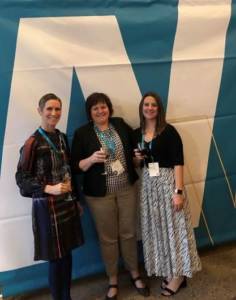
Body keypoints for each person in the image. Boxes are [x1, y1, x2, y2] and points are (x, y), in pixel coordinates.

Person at [71, 92, 149, 300]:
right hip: (99, 195)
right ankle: (112, 280)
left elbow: (135, 152)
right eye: (95, 108)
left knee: (129, 233)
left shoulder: (120, 125)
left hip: (126, 189)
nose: (100, 111)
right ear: (90, 112)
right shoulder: (82, 133)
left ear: (109, 108)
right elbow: (75, 167)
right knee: (108, 239)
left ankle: (134, 273)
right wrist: (90, 159)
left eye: (103, 106)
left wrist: (137, 158)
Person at [15, 93, 84, 300]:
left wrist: (77, 199)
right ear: (40, 111)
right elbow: (21, 179)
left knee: (68, 254)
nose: (54, 113)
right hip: (47, 208)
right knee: (56, 258)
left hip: (67, 203)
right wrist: (48, 188)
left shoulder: (61, 137)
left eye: (57, 109)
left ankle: (67, 297)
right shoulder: (32, 143)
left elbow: (68, 169)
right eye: (49, 109)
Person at [134, 92, 201, 297]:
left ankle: (179, 276)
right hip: (148, 186)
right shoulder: (137, 133)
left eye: (154, 105)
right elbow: (137, 165)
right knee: (160, 230)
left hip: (168, 184)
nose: (150, 108)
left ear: (159, 108)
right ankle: (170, 270)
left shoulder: (169, 131)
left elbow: (178, 162)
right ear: (141, 107)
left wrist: (178, 192)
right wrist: (136, 158)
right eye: (146, 104)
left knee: (175, 229)